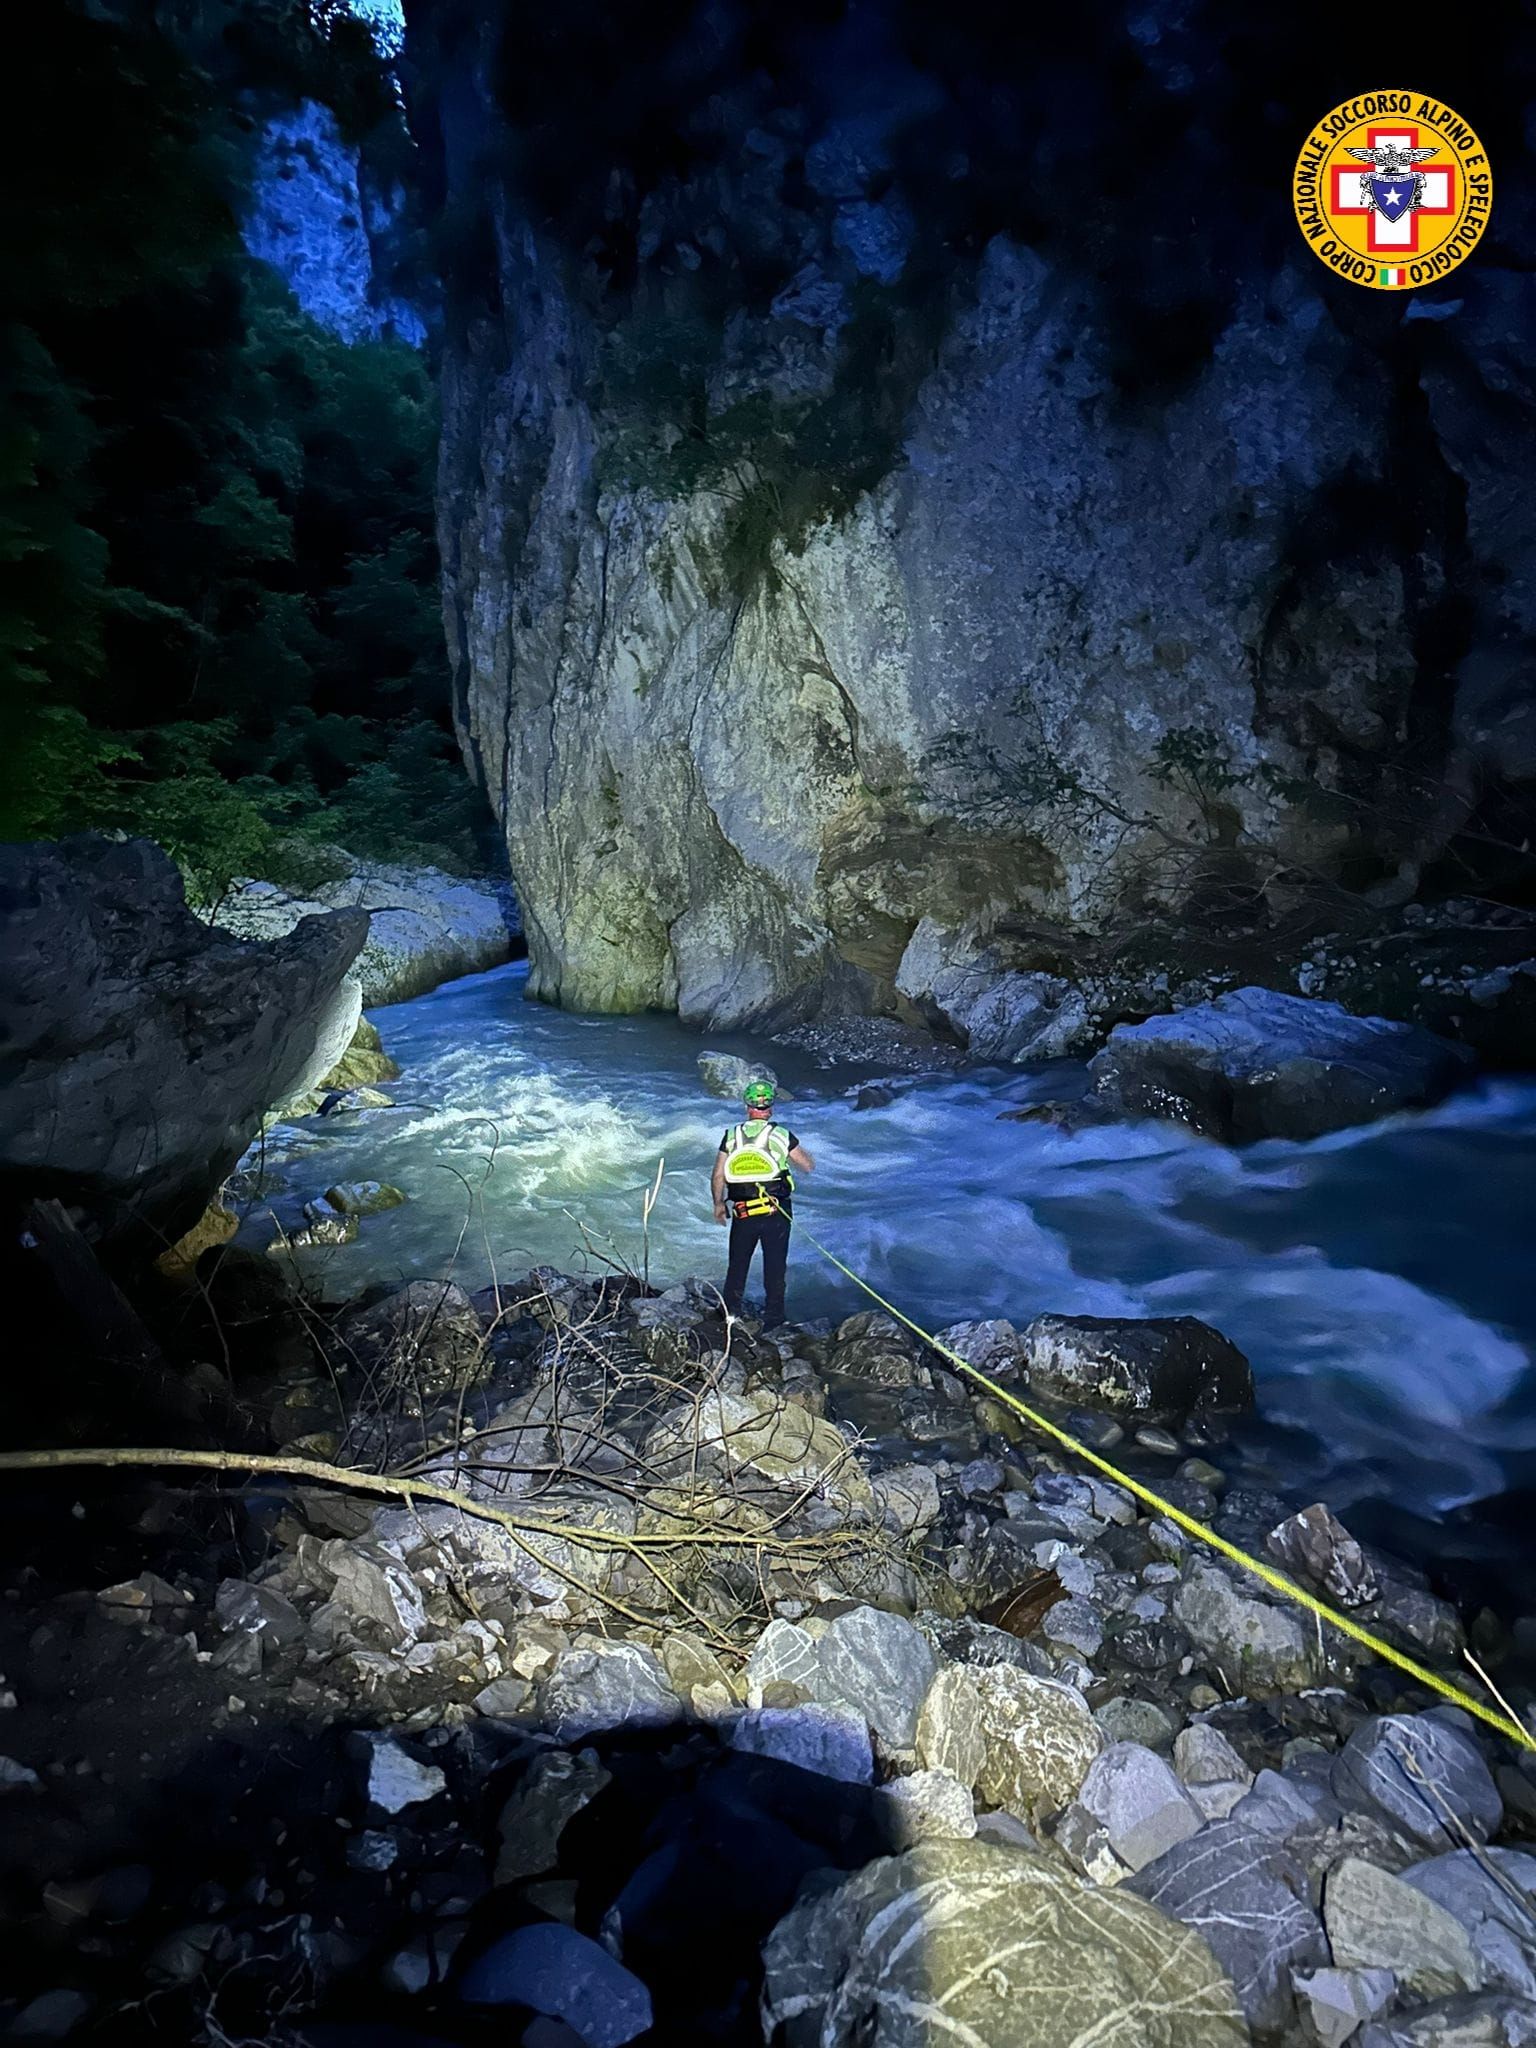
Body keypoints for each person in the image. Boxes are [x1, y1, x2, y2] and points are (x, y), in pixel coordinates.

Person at [711, 1079, 814, 1328]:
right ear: (770, 1107)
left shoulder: (731, 1135)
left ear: (747, 1106)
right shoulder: (781, 1134)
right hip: (775, 1210)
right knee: (775, 1266)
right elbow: (807, 1165)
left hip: (743, 1211)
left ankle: (730, 1314)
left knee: (738, 1265)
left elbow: (718, 1175)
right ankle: (774, 1319)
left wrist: (718, 1205)